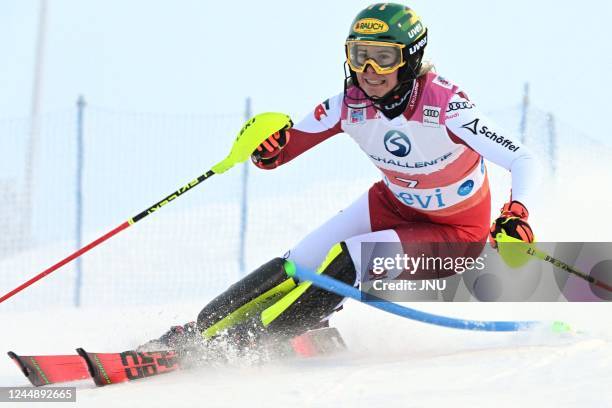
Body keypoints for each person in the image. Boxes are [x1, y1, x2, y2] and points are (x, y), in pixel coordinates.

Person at [145, 2, 539, 351]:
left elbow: (522, 159)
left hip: (456, 235)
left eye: (384, 57)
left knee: (353, 256)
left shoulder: (446, 106)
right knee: (298, 262)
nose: (369, 70)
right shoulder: (349, 104)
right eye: (359, 55)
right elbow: (279, 154)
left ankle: (251, 343)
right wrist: (267, 148)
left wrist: (517, 213)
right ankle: (200, 332)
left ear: (410, 59)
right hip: (392, 205)